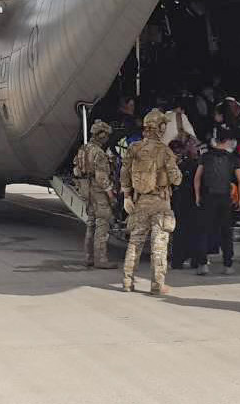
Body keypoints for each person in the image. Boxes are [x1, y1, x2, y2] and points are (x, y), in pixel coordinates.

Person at [120, 110, 183, 295]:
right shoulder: (165, 151)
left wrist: (126, 196)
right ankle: (157, 285)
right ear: (160, 128)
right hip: (160, 202)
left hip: (139, 201)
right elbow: (176, 179)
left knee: (135, 242)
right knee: (159, 244)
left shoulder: (133, 148)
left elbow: (124, 173)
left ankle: (127, 281)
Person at [193, 129, 240, 275]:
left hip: (208, 197)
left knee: (203, 231)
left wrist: (197, 196)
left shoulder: (206, 156)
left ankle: (203, 265)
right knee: (226, 232)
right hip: (225, 198)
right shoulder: (233, 158)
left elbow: (197, 178)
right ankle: (228, 265)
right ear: (227, 141)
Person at [74, 120, 118, 268]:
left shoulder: (83, 149)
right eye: (106, 136)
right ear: (101, 135)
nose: (107, 139)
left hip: (86, 189)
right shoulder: (99, 153)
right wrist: (111, 195)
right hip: (98, 191)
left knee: (91, 223)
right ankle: (101, 259)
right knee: (102, 222)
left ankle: (88, 257)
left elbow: (76, 169)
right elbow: (102, 178)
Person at [167, 139, 202, 269]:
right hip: (187, 202)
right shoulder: (195, 165)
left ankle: (180, 260)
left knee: (183, 231)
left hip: (184, 201)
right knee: (189, 230)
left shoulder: (185, 165)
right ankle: (191, 260)